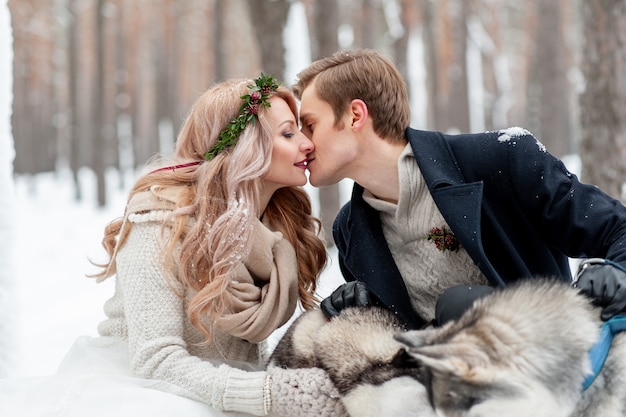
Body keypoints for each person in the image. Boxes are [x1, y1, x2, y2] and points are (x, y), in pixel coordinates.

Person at [0, 75, 346, 417]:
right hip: (140, 394)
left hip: (219, 391)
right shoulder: (161, 219)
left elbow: (244, 354)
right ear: (243, 147)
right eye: (288, 133)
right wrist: (265, 395)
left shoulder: (274, 235)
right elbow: (155, 360)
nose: (307, 144)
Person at [291, 48, 626, 329]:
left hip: (546, 376)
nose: (303, 143)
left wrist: (615, 274)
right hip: (437, 398)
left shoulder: (502, 158)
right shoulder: (351, 231)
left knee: (459, 304)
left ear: (355, 116)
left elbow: (617, 228)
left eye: (310, 124)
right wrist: (360, 306)